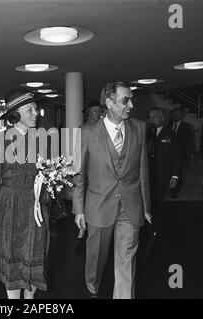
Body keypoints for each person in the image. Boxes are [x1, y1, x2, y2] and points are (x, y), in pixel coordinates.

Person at [73, 81, 151, 299]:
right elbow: (79, 173)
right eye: (125, 100)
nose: (131, 105)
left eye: (131, 99)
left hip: (131, 207)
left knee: (127, 261)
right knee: (96, 259)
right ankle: (92, 287)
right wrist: (78, 209)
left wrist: (146, 206)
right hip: (98, 206)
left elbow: (143, 170)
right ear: (109, 102)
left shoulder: (140, 128)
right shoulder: (87, 132)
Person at [0, 88, 49, 299]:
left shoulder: (42, 140)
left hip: (35, 207)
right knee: (11, 256)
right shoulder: (0, 141)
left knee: (36, 254)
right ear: (15, 114)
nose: (35, 113)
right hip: (9, 205)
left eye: (36, 109)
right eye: (30, 110)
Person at [147, 107, 183, 233]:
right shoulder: (145, 134)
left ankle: (157, 228)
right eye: (150, 116)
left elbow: (177, 157)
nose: (152, 119)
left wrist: (175, 176)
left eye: (155, 116)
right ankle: (148, 226)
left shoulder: (171, 135)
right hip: (146, 176)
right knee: (147, 203)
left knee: (158, 204)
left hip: (162, 176)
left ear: (162, 118)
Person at [168, 107, 195, 197]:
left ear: (181, 115)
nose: (176, 116)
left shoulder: (186, 126)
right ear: (171, 115)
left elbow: (190, 141)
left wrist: (191, 154)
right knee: (170, 172)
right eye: (174, 114)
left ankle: (174, 191)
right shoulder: (168, 125)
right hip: (169, 154)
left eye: (178, 114)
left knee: (177, 173)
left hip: (181, 154)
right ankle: (171, 188)